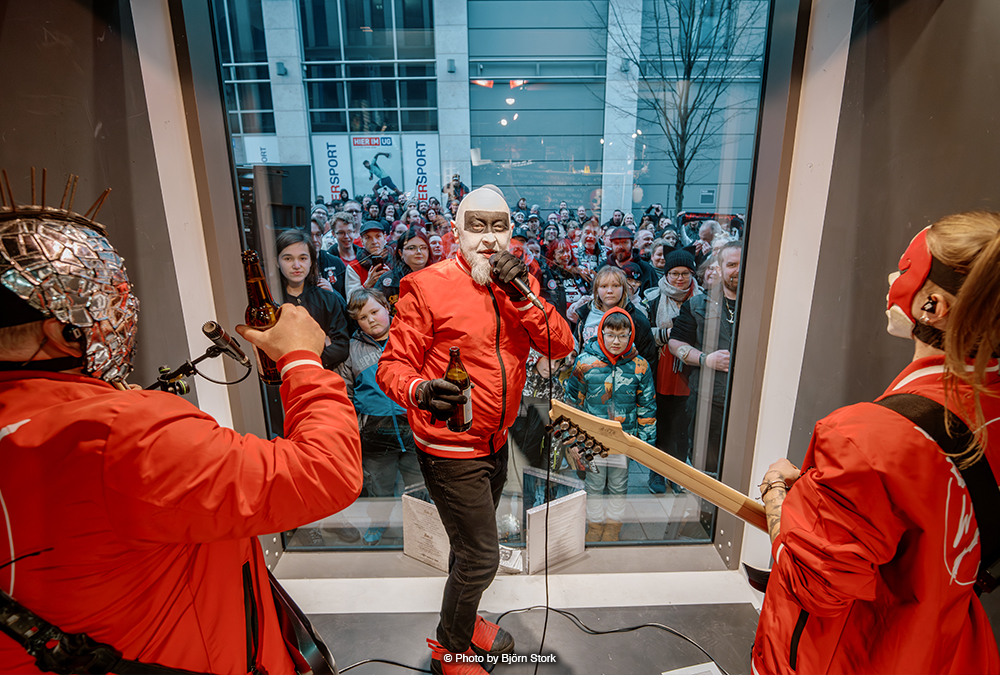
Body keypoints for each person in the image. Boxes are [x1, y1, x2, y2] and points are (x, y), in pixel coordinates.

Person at [0, 198, 362, 674]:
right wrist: (301, 359)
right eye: (111, 307)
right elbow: (324, 473)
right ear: (62, 331)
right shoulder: (117, 434)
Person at [753, 213, 1000, 674]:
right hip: (950, 649)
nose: (891, 278)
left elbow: (812, 586)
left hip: (866, 654)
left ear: (933, 306)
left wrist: (776, 492)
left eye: (906, 269)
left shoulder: (866, 439)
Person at [376, 185, 574, 675]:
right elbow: (391, 366)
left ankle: (462, 623)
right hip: (448, 448)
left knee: (468, 551)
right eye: (477, 226)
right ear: (456, 233)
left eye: (498, 227)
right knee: (482, 558)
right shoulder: (426, 286)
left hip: (496, 441)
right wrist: (420, 390)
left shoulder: (522, 285)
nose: (488, 238)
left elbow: (559, 344)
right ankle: (450, 648)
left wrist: (523, 294)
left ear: (511, 232)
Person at [336, 288, 422, 547]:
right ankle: (378, 523)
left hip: (413, 426)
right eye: (363, 317)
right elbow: (345, 392)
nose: (371, 320)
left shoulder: (407, 338)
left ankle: (421, 528)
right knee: (379, 485)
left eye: (374, 312)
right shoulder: (351, 350)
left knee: (418, 483)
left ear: (387, 307)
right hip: (374, 431)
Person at [565, 308, 655, 542]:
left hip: (622, 441)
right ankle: (595, 526)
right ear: (601, 333)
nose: (616, 341)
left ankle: (613, 527)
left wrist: (645, 444)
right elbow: (572, 403)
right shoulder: (585, 363)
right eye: (611, 335)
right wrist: (572, 440)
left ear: (630, 335)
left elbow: (647, 407)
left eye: (623, 335)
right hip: (591, 440)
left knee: (618, 485)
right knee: (594, 485)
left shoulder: (640, 366)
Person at [667, 242, 742, 477]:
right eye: (732, 264)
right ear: (720, 268)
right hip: (708, 402)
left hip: (747, 403)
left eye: (742, 264)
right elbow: (674, 343)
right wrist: (705, 359)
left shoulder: (763, 304)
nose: (738, 270)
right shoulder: (697, 304)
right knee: (705, 469)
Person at [642, 249, 702, 494]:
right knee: (662, 423)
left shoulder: (702, 299)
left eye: (685, 273)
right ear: (666, 274)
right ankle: (657, 472)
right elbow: (643, 334)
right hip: (662, 366)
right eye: (674, 273)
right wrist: (668, 335)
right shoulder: (652, 298)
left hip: (689, 368)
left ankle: (677, 473)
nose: (680, 278)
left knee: (682, 426)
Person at [276, 229, 351, 369]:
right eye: (288, 259)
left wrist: (309, 362)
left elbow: (341, 346)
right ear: (276, 262)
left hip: (321, 373)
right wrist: (321, 343)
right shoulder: (273, 301)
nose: (296, 266)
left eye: (303, 258)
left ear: (311, 261)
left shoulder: (327, 299)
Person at [569, 265, 658, 373]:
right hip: (587, 376)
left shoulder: (636, 319)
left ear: (623, 288)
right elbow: (577, 345)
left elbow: (648, 358)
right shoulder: (585, 313)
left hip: (623, 378)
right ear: (596, 289)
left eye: (615, 285)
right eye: (604, 286)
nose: (610, 291)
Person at [379, 226, 431, 312]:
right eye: (412, 248)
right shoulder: (388, 281)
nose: (419, 251)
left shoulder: (436, 276)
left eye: (423, 247)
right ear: (400, 253)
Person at [539, 238, 590, 323]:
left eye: (568, 251)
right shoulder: (549, 274)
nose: (566, 255)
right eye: (561, 252)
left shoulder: (579, 272)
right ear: (554, 255)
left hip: (580, 320)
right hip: (560, 321)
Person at [607, 226, 658, 293]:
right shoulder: (604, 268)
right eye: (616, 243)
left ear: (633, 243)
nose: (620, 247)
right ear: (611, 245)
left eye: (624, 242)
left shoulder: (646, 269)